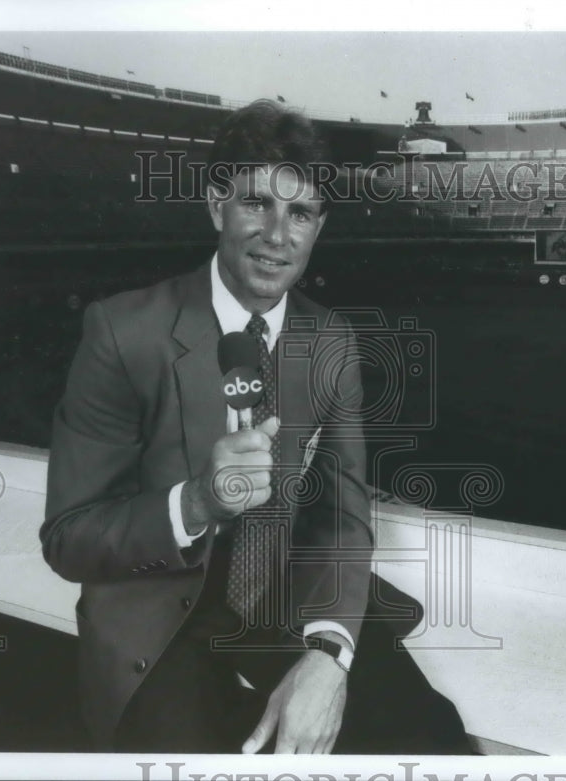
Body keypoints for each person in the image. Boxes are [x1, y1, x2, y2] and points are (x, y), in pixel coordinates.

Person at [42, 99, 471, 755]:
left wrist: (329, 654)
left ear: (318, 227)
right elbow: (68, 539)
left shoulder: (330, 339)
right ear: (218, 206)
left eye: (300, 213)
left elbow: (341, 515)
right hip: (161, 620)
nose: (278, 233)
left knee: (435, 738)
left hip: (289, 598)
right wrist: (196, 501)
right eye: (257, 204)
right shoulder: (123, 331)